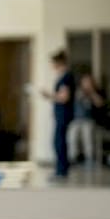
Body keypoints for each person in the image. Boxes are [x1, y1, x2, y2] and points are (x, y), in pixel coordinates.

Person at [39, 50, 74, 179]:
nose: (51, 66)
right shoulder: (64, 77)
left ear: (58, 63)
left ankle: (61, 171)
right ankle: (61, 170)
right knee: (59, 141)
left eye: (53, 63)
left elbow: (64, 97)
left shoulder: (66, 77)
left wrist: (49, 95)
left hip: (64, 114)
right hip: (61, 114)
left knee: (59, 142)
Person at [66, 72, 105, 165]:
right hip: (76, 120)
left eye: (89, 82)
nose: (87, 83)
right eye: (85, 81)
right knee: (71, 137)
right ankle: (73, 158)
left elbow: (100, 103)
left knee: (88, 138)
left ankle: (89, 159)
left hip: (88, 120)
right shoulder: (77, 91)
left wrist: (91, 92)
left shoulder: (96, 92)